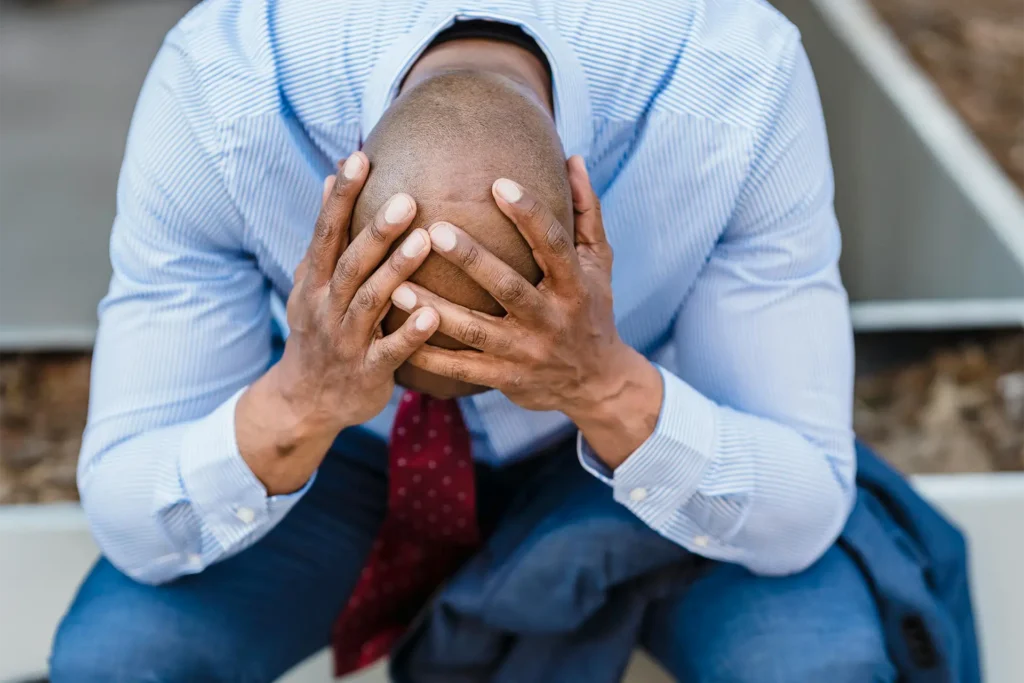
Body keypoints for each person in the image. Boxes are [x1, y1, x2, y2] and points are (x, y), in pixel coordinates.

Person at [47, 1, 950, 680]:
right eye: (412, 341)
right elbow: (130, 510)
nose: (475, 380)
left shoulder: (734, 82)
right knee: (117, 657)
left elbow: (804, 507)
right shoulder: (223, 92)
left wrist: (600, 384)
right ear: (345, 183)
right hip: (338, 449)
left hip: (616, 444)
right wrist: (303, 397)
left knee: (822, 659)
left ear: (579, 200)